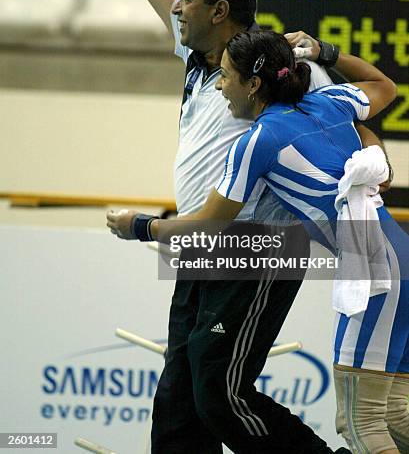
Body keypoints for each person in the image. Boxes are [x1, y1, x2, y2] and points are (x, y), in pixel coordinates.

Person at [110, 0, 394, 453]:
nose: (177, 6)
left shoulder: (287, 67)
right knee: (178, 409)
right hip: (202, 246)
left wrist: (370, 167)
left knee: (221, 395)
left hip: (257, 245)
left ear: (220, 11)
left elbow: (358, 113)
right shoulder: (195, 58)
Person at [114, 29, 408, 454]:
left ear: (253, 84)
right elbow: (386, 86)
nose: (218, 85)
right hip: (401, 256)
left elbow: (206, 228)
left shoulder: (257, 141)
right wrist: (327, 52)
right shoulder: (330, 102)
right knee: (396, 414)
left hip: (373, 272)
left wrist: (139, 226)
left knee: (361, 422)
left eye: (226, 76)